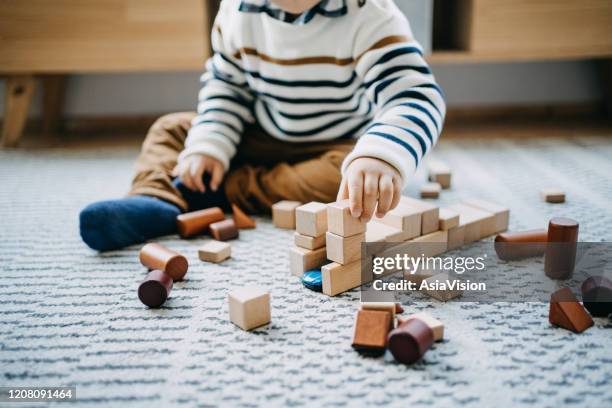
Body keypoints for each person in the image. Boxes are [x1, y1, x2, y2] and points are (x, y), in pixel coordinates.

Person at [79, 0, 446, 251]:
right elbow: (227, 87)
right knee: (172, 129)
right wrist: (210, 145)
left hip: (338, 143)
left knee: (351, 183)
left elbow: (415, 97)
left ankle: (212, 191)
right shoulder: (237, 11)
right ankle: (154, 198)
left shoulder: (372, 15)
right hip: (262, 132)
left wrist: (380, 156)